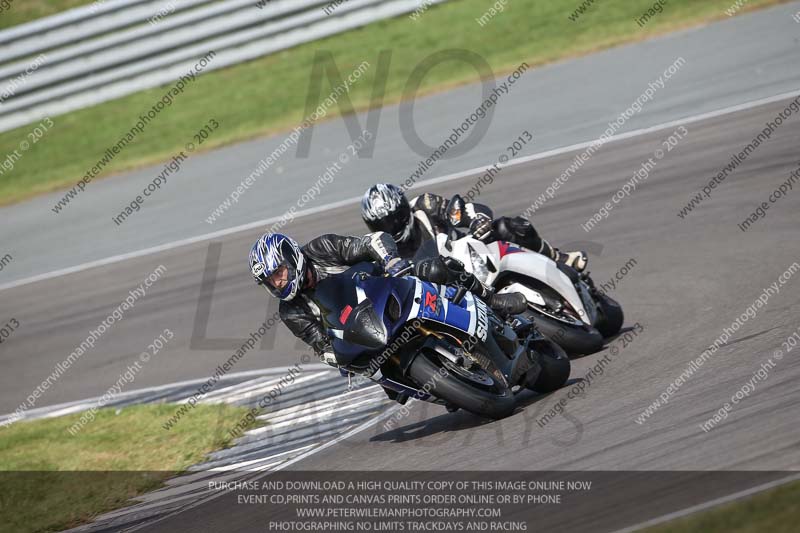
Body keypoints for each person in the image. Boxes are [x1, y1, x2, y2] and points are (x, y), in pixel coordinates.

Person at [248, 231, 526, 374]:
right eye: (270, 281)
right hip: (366, 333)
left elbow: (369, 243)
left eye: (279, 273)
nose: (278, 283)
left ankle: (492, 299)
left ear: (291, 257)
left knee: (436, 269)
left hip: (386, 289)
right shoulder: (290, 311)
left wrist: (390, 260)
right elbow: (319, 342)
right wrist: (332, 357)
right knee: (381, 378)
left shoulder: (321, 249)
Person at [360, 183, 588, 271]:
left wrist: (478, 220)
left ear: (403, 208)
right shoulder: (382, 250)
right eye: (381, 223)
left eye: (393, 217)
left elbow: (461, 209)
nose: (390, 226)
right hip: (445, 290)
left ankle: (559, 258)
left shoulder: (424, 204)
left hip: (473, 255)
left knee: (508, 228)